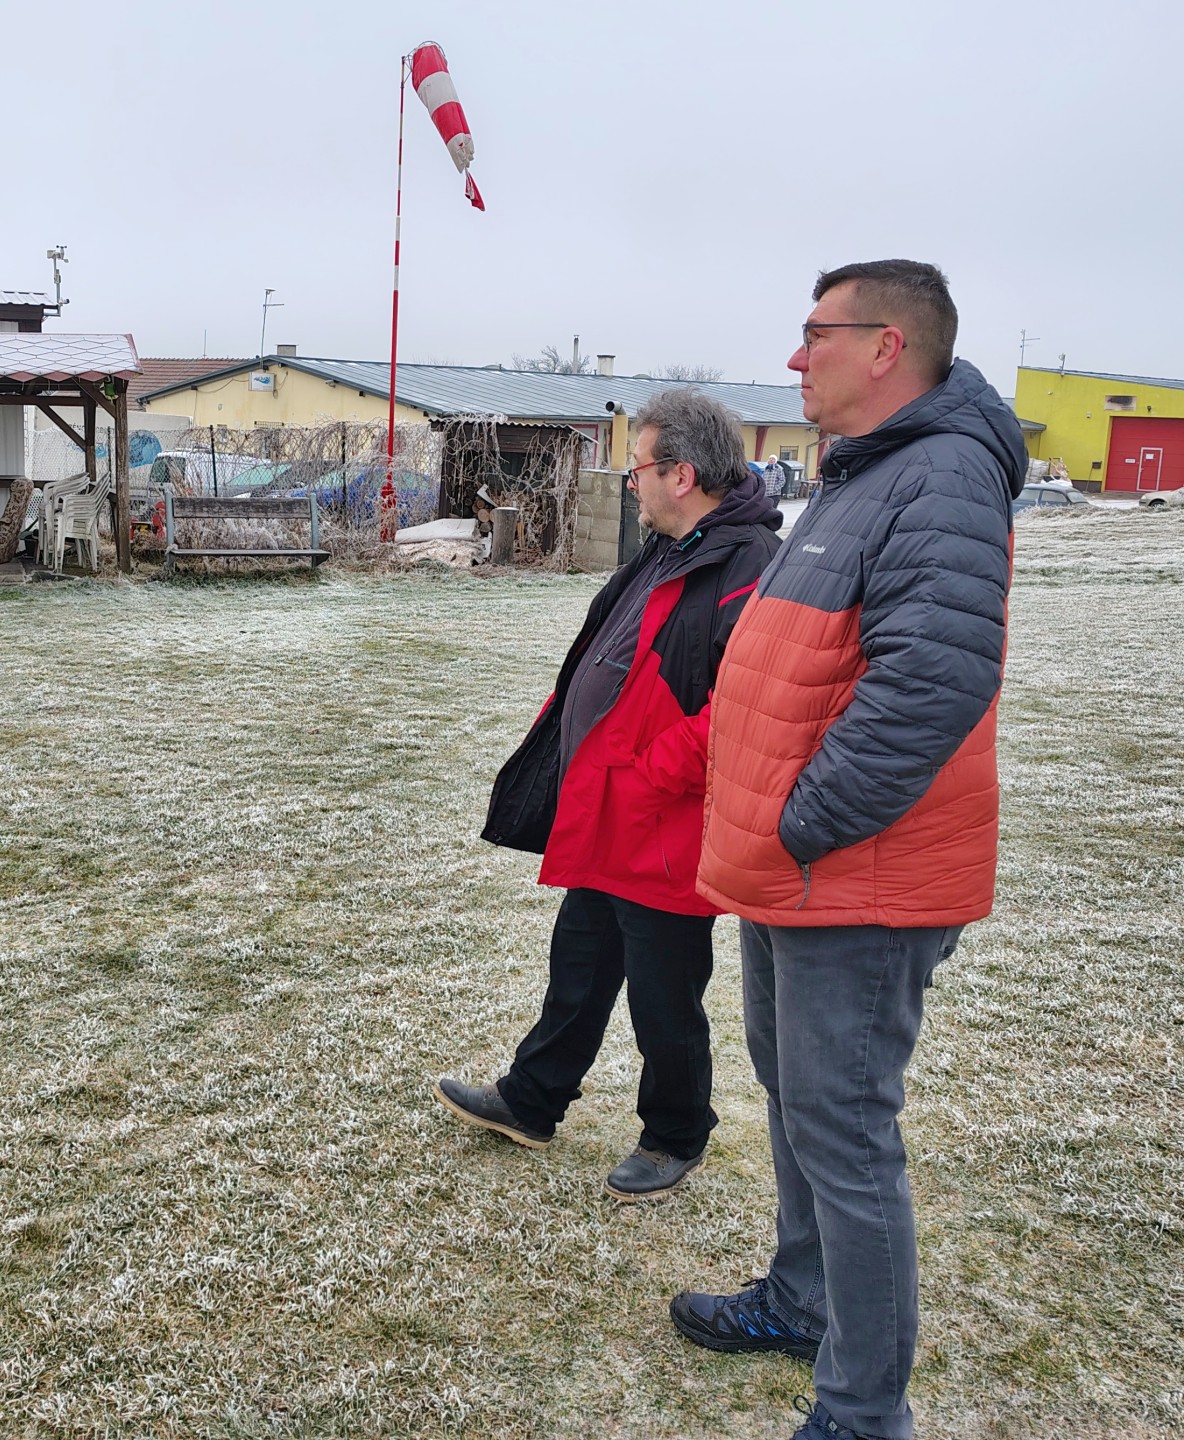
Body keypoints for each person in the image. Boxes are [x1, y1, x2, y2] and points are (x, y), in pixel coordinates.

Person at [671, 261, 1025, 1440]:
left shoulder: (943, 474)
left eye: (815, 334)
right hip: (797, 873)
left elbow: (931, 685)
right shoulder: (866, 472)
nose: (794, 356)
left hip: (856, 878)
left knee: (846, 1133)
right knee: (799, 1104)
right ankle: (803, 1301)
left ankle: (864, 1413)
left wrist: (801, 820)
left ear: (886, 348)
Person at [436, 390, 782, 1200]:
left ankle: (676, 1133)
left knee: (665, 995)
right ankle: (531, 1101)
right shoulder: (668, 548)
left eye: (639, 467)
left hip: (666, 822)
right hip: (611, 807)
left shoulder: (750, 566)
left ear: (682, 475)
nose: (631, 482)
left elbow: (746, 710)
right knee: (580, 966)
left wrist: (650, 770)